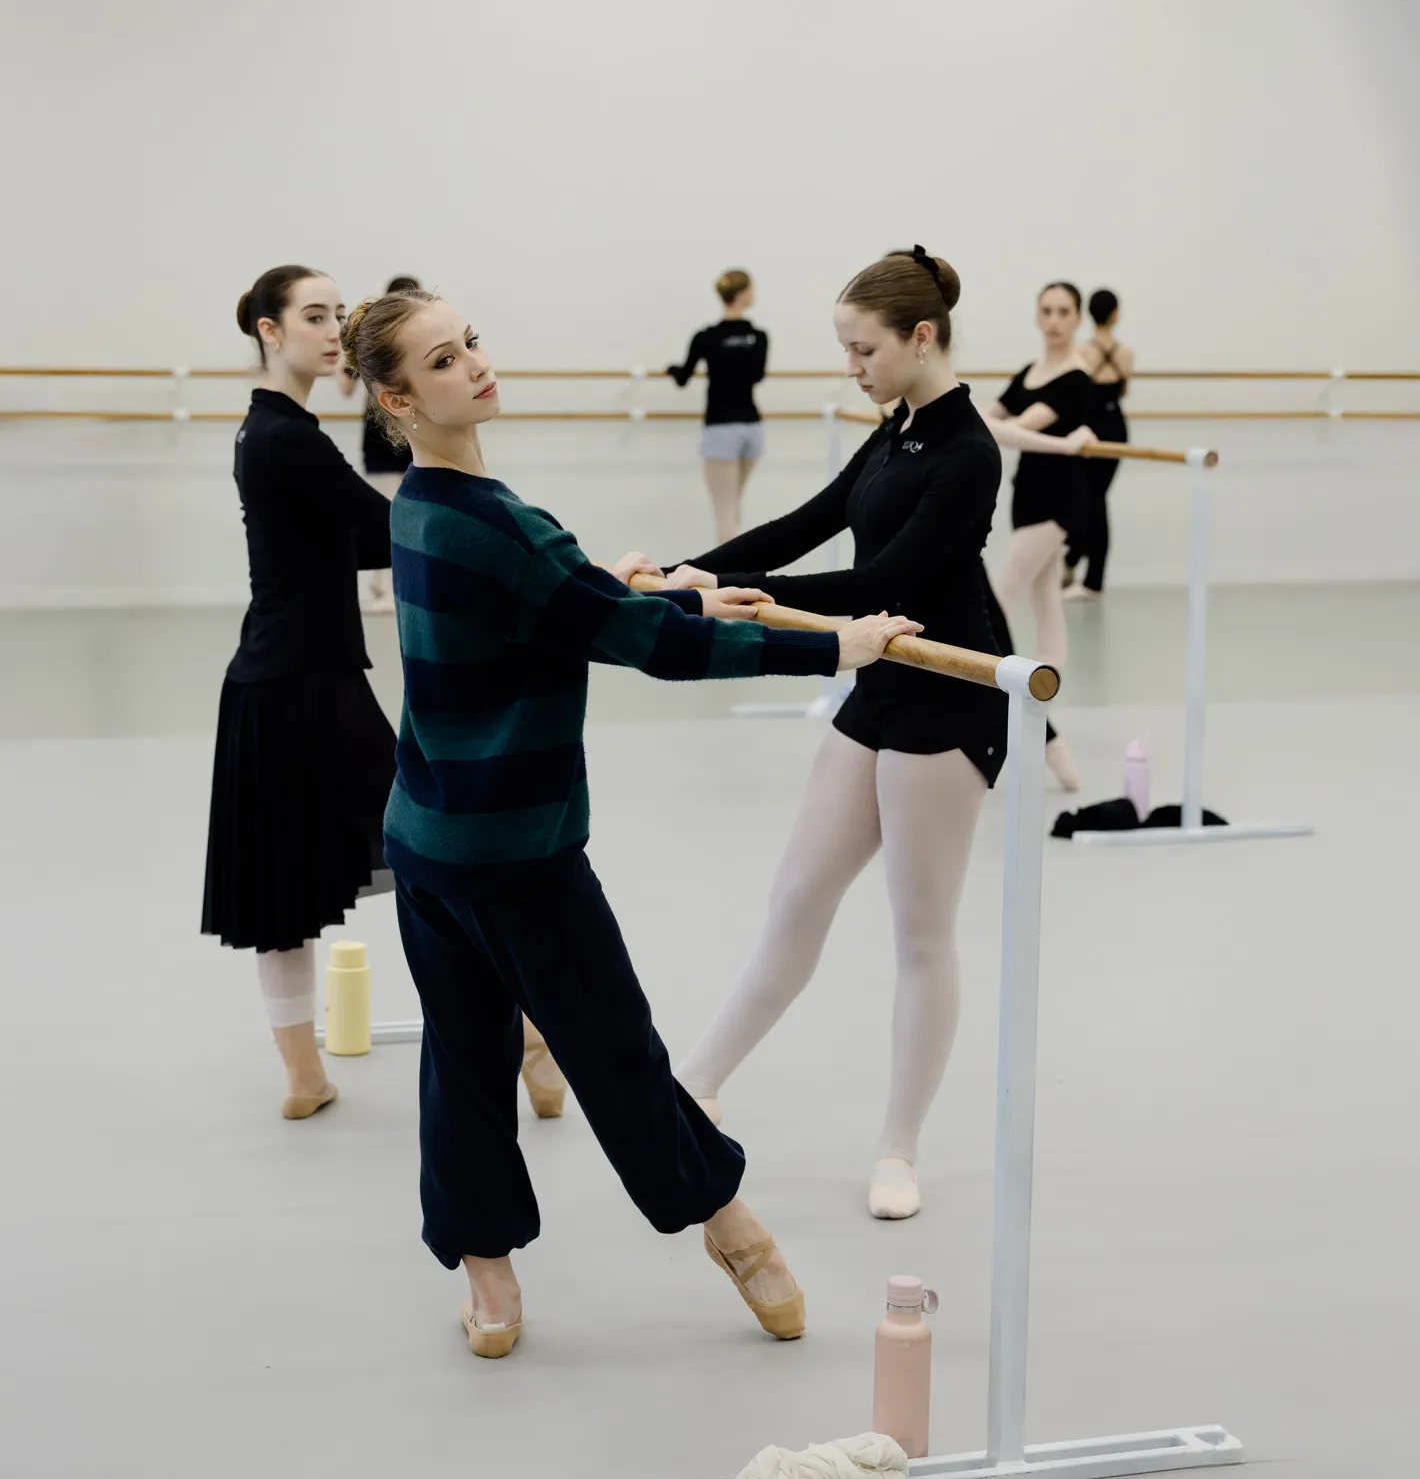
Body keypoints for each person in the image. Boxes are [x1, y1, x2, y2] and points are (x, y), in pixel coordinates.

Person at [339, 281, 915, 1357]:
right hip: (515, 856)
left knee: (463, 1063)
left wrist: (650, 588)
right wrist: (832, 646)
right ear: (397, 400)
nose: (475, 364)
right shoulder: (494, 520)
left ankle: (491, 1280)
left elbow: (560, 610)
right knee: (612, 1055)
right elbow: (640, 643)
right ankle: (732, 1230)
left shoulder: (422, 505)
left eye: (472, 343)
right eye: (443, 360)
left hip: (427, 845)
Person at [667, 246, 1009, 1222]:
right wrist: (694, 570)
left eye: (864, 350)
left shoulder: (967, 452)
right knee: (797, 895)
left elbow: (881, 582)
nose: (853, 368)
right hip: (880, 681)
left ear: (922, 337)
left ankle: (899, 1148)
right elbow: (810, 521)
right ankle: (698, 1081)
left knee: (919, 933)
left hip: (949, 697)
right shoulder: (895, 431)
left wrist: (744, 601)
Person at [201, 265, 397, 1120]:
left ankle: (305, 1079)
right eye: (313, 317)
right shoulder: (290, 437)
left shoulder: (267, 431)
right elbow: (386, 530)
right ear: (269, 331)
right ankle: (529, 1036)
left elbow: (342, 546)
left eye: (337, 317)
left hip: (275, 683)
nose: (333, 333)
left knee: (283, 898)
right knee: (437, 852)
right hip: (308, 687)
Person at [982, 282, 1095, 791]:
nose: (1053, 320)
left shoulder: (1076, 377)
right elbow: (994, 414)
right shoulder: (1031, 372)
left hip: (1060, 497)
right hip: (1029, 491)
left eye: (1063, 312)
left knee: (1000, 594)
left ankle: (1024, 697)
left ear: (1077, 320)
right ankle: (1043, 695)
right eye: (1046, 311)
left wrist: (1067, 448)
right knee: (1043, 591)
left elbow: (1012, 426)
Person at [338, 274, 422, 612]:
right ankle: (387, 588)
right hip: (397, 428)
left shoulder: (375, 337)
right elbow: (346, 385)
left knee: (393, 510)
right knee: (396, 510)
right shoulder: (381, 338)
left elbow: (345, 387)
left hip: (397, 428)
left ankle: (390, 588)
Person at [668, 269, 768, 544]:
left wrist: (671, 369)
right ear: (743, 294)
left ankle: (729, 578)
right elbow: (757, 375)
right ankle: (735, 575)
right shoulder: (758, 337)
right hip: (752, 427)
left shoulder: (706, 337)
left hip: (721, 428)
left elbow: (683, 378)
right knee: (733, 508)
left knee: (725, 513)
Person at [1063, 288, 1135, 599]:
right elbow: (1123, 392)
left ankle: (1088, 576)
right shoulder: (1126, 353)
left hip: (1090, 427)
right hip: (1116, 426)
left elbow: (1077, 393)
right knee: (1092, 499)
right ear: (1115, 314)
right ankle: (1073, 562)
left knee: (1092, 500)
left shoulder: (1082, 351)